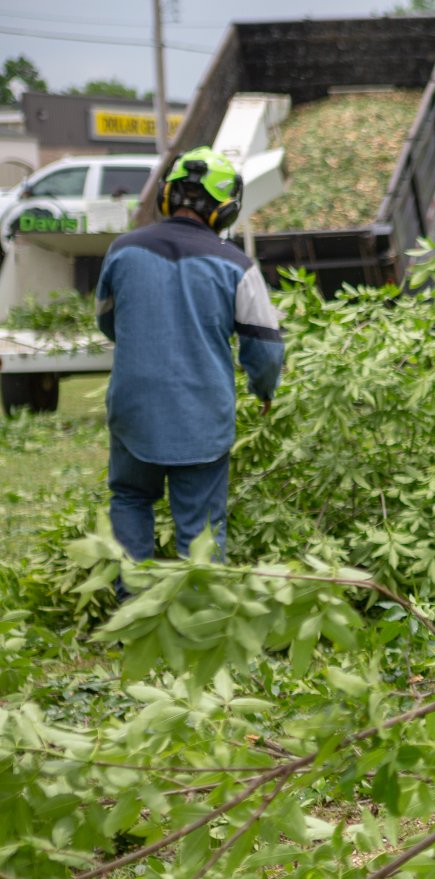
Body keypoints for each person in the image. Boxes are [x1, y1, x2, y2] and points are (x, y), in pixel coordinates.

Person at [94, 146, 283, 566]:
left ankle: (136, 607)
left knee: (130, 498)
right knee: (200, 528)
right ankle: (197, 612)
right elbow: (267, 349)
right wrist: (263, 389)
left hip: (133, 409)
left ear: (167, 195)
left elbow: (108, 323)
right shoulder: (237, 265)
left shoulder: (122, 250)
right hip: (200, 417)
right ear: (225, 207)